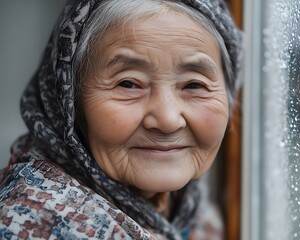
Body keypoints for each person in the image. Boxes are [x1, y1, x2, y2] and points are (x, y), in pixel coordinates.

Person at [0, 0, 241, 239]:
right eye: (128, 84)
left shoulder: (196, 209)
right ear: (70, 104)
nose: (168, 120)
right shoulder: (29, 225)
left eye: (194, 84)